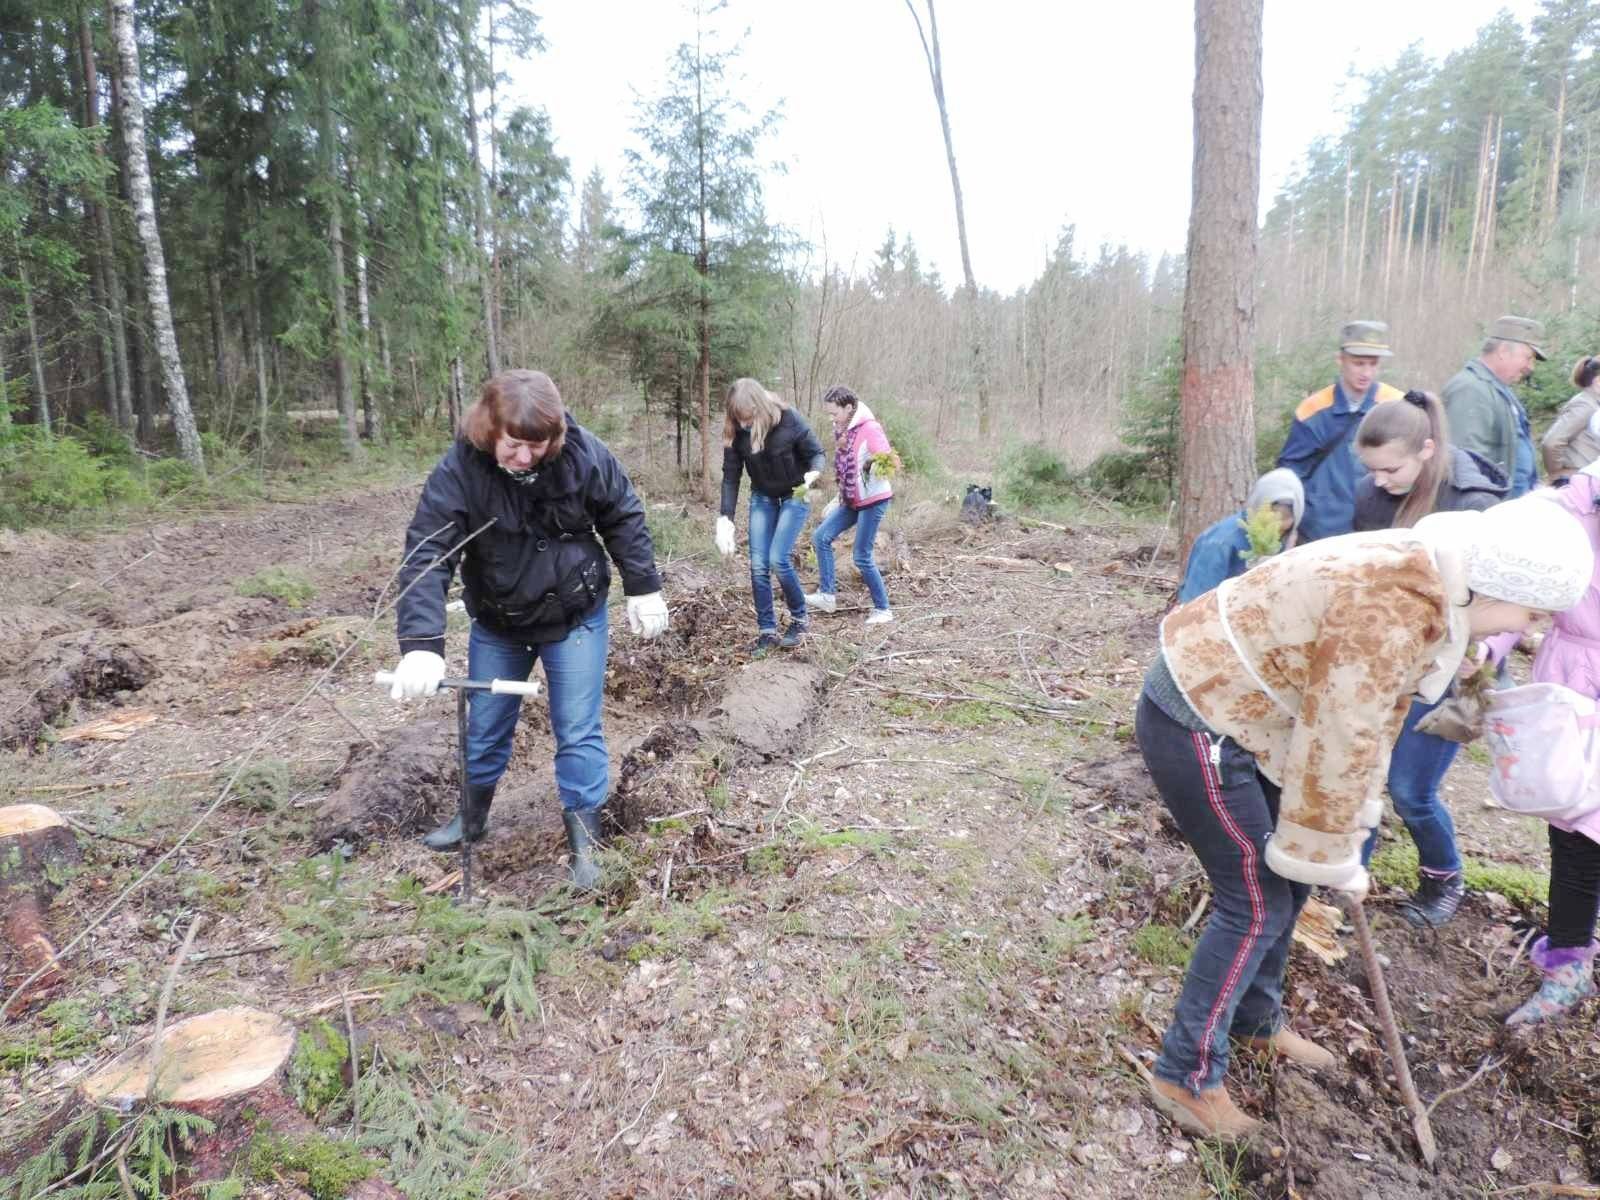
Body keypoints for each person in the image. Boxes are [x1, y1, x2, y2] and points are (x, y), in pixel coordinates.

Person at [1137, 498, 1591, 1137]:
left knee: (1286, 885)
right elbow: (1342, 734)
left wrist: (1342, 837)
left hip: (1262, 717)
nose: (1532, 628)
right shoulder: (1393, 609)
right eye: (1531, 613)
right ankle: (1183, 1077)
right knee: (1256, 901)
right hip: (1203, 716)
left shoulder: (1437, 590)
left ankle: (1255, 1021)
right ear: (1497, 589)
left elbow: (1373, 722)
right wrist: (1333, 852)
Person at [386, 370, 669, 888]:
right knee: (486, 723)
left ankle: (586, 842)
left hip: (574, 617)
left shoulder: (583, 455)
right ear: (491, 429)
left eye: (536, 447)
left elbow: (623, 514)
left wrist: (644, 585)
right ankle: (471, 820)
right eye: (514, 445)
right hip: (500, 621)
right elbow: (429, 552)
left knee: (577, 727)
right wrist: (422, 645)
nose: (523, 458)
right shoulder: (461, 471)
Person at [1351, 390, 1508, 927]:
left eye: (1390, 468)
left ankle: (1443, 875)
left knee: (1411, 790)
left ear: (1426, 450)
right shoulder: (1372, 497)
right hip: (1394, 657)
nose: (1378, 480)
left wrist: (1485, 650)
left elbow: (1506, 603)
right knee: (1365, 771)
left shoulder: (1475, 503)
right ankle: (1349, 881)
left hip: (1460, 664)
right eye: (1370, 469)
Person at [1477, 466, 1600, 1025]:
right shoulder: (1561, 513)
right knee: (1575, 827)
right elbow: (1515, 590)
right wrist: (1482, 651)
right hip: (1574, 682)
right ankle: (1570, 960)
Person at [715, 378, 826, 652]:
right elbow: (731, 477)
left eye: (749, 419)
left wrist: (814, 473)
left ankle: (799, 619)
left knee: (778, 558)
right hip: (763, 497)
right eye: (740, 420)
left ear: (761, 408)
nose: (745, 425)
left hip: (794, 494)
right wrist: (725, 518)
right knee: (757, 564)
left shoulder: (788, 419)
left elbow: (817, 453)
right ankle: (767, 630)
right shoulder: (736, 431)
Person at [1276, 319, 1404, 541]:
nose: (1366, 372)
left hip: (1379, 535)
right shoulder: (1313, 410)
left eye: (1373, 364)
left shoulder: (1396, 405)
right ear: (1340, 360)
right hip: (1321, 535)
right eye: (1358, 363)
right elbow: (1291, 472)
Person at [804, 385, 897, 625]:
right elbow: (845, 468)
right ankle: (827, 595)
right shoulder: (843, 430)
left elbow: (887, 461)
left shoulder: (870, 429)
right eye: (829, 413)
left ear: (848, 407)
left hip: (873, 501)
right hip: (852, 500)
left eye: (834, 413)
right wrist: (839, 497)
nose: (831, 418)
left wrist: (873, 467)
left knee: (861, 555)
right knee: (821, 537)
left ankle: (883, 609)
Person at [1442, 315, 1546, 498]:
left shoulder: (1496, 388)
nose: (1531, 367)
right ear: (1504, 351)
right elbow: (1465, 464)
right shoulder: (1471, 390)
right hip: (1488, 511)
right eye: (1528, 358)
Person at [1175, 469, 1304, 603]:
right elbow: (1195, 602)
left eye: (1281, 530)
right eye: (1269, 525)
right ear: (1258, 506)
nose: (1275, 532)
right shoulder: (1220, 543)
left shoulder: (1282, 540)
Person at [1539, 355, 1600, 485]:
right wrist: (1557, 474)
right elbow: (1552, 442)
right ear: (1598, 381)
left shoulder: (1594, 404)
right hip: (1576, 482)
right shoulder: (1585, 405)